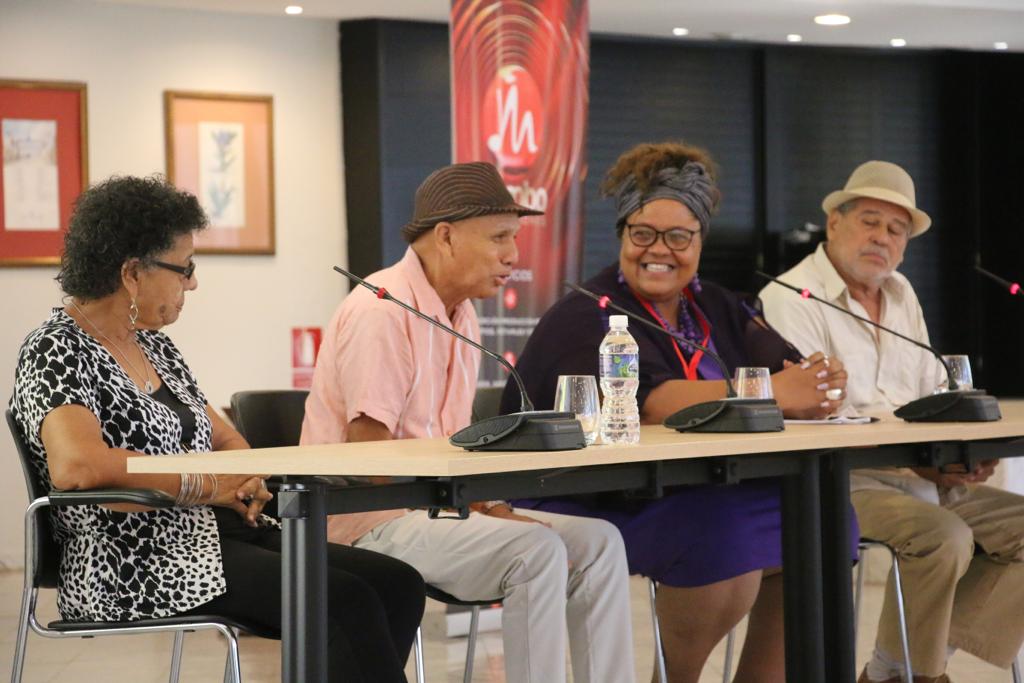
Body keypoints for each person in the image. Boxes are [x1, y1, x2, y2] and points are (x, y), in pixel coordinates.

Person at [8, 176, 424, 683]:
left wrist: (244, 476)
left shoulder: (154, 346)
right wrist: (207, 484)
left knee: (399, 582)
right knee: (344, 599)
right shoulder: (56, 348)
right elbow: (76, 467)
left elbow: (222, 436)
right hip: (132, 556)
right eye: (184, 269)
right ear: (132, 273)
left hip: (211, 533)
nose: (192, 284)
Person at [501, 141, 851, 683]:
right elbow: (652, 403)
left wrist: (821, 380)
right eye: (642, 233)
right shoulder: (587, 312)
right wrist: (773, 391)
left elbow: (792, 369)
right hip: (585, 494)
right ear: (621, 235)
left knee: (825, 518)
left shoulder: (715, 304)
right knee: (721, 530)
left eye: (679, 236)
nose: (657, 249)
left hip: (686, 487)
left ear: (700, 242)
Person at [301, 161, 636, 683]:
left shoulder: (460, 314)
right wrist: (473, 509)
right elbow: (368, 460)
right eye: (500, 237)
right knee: (536, 550)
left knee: (599, 543)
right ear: (447, 236)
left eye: (516, 238)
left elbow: (453, 451)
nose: (514, 255)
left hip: (434, 510)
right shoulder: (383, 311)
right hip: (367, 520)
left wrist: (490, 507)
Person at [760, 160, 1024, 683]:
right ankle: (917, 672)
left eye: (897, 229)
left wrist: (958, 458)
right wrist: (926, 465)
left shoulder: (902, 295)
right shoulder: (791, 298)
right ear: (834, 222)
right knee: (944, 538)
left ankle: (892, 667)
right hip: (838, 481)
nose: (882, 237)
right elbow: (818, 414)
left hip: (921, 477)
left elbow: (933, 396)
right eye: (870, 220)